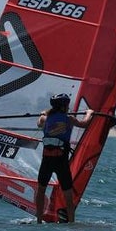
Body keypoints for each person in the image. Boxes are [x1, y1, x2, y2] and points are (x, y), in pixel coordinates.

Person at [35, 93, 93, 223]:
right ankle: (71, 221)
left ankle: (38, 220)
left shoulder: (46, 118)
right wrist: (89, 113)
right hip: (61, 161)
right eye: (67, 104)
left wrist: (42, 114)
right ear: (63, 106)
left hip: (47, 160)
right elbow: (84, 124)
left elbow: (39, 124)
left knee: (41, 190)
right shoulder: (69, 119)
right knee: (67, 193)